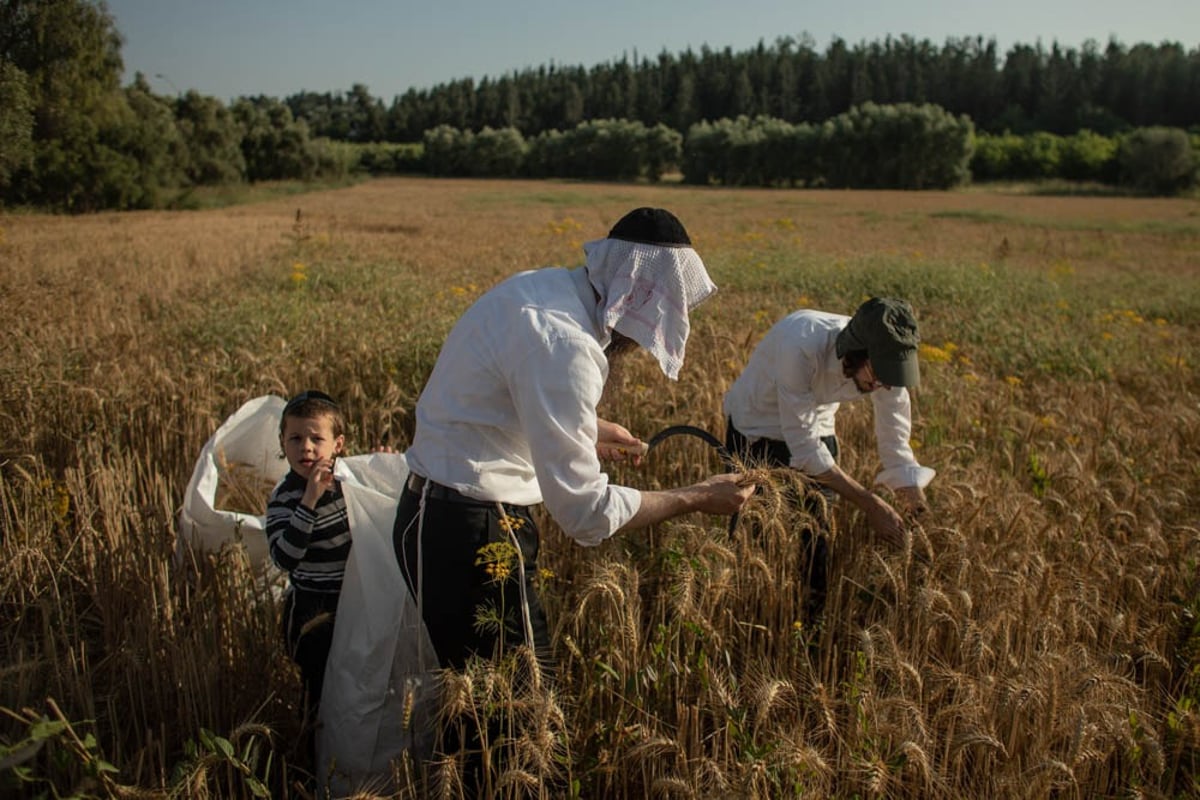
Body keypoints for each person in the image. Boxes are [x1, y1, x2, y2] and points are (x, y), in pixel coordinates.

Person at [392, 207, 755, 675]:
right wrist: (699, 497)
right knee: (515, 715)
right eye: (653, 309)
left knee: (479, 711)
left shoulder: (543, 288)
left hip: (434, 516)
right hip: (472, 534)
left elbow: (495, 398)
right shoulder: (565, 343)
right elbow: (585, 514)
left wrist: (589, 429)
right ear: (633, 291)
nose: (648, 335)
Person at [722, 297, 935, 619]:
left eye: (893, 377)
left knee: (818, 534)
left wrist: (912, 498)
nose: (884, 385)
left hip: (815, 425)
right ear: (856, 352)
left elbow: (895, 437)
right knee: (758, 533)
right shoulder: (802, 342)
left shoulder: (885, 362)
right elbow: (804, 448)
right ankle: (749, 613)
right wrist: (871, 503)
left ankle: (810, 619)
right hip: (757, 428)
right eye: (879, 375)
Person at [265, 390, 350, 737]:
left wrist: (386, 473)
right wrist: (309, 501)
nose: (307, 448)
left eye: (317, 438)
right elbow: (284, 557)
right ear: (283, 443)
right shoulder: (285, 498)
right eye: (296, 438)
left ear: (338, 444)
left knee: (353, 687)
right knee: (318, 692)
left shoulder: (349, 483)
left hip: (353, 602)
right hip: (311, 611)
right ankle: (313, 753)